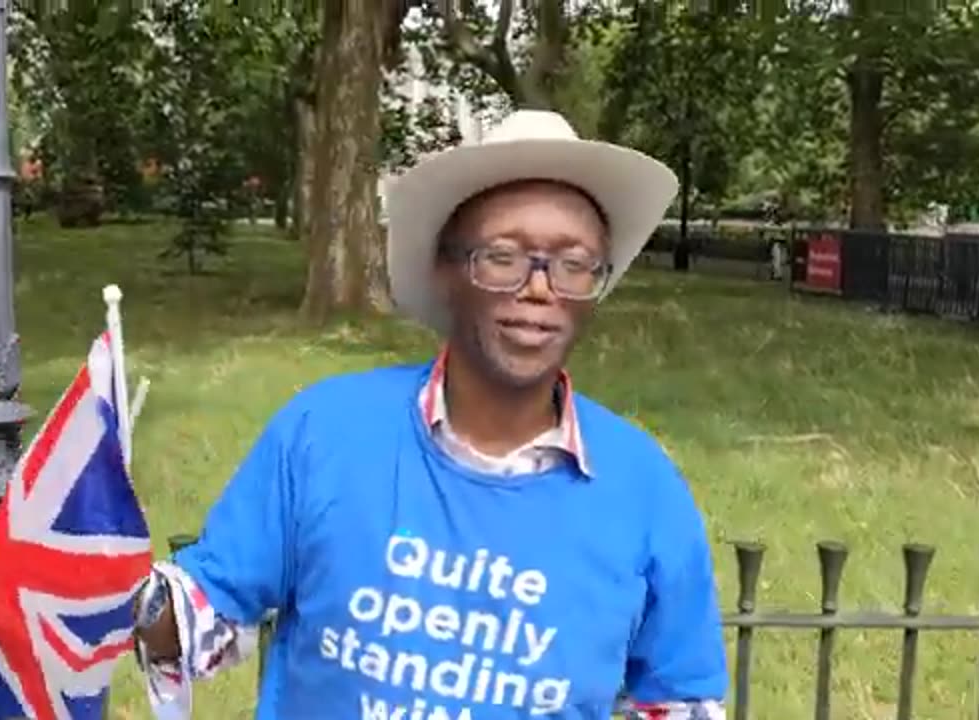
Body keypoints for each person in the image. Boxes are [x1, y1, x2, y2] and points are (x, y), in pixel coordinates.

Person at [132, 109, 728, 720]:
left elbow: (679, 702)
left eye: (574, 265)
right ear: (446, 271)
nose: (541, 289)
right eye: (503, 256)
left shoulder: (643, 487)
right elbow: (207, 608)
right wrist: (119, 598)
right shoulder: (325, 433)